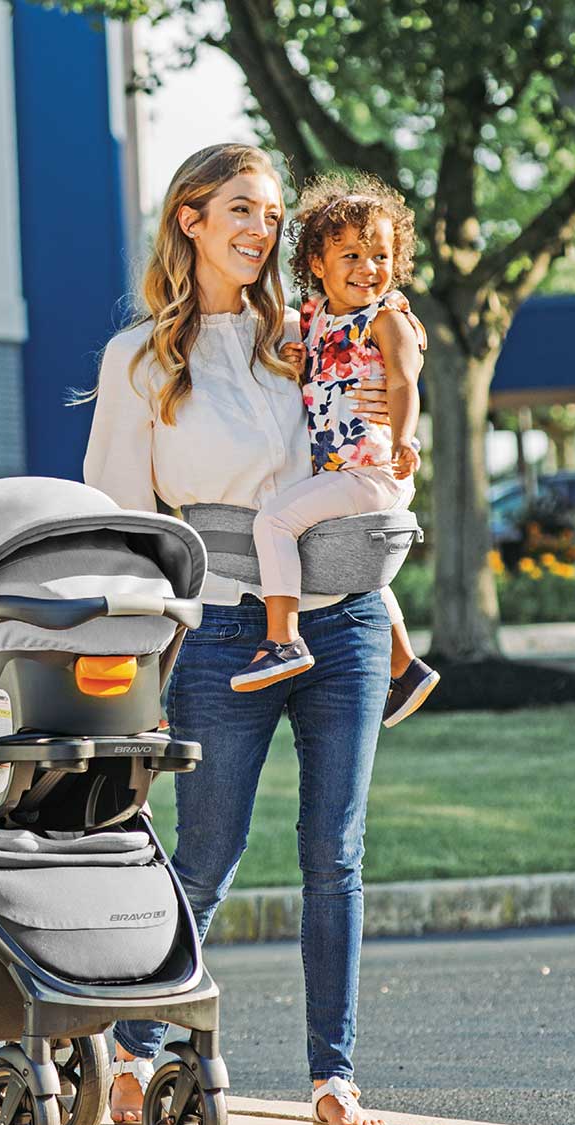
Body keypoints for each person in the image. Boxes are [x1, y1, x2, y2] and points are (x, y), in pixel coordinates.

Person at [84, 143, 392, 1125]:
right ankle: (136, 1045)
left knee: (333, 852)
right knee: (205, 853)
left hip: (337, 620)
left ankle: (332, 1076)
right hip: (220, 628)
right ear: (191, 220)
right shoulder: (137, 360)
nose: (262, 232)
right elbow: (123, 523)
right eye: (240, 212)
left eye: (270, 216)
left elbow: (370, 451)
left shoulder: (312, 336)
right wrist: (138, 658)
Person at [232, 172, 440, 728]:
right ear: (317, 265)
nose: (368, 268)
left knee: (274, 523)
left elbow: (402, 381)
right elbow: (326, 371)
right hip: (342, 468)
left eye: (379, 254)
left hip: (374, 467)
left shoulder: (387, 316)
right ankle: (407, 667)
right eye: (350, 254)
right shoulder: (319, 315)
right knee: (352, 568)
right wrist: (304, 358)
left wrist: (403, 436)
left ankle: (282, 639)